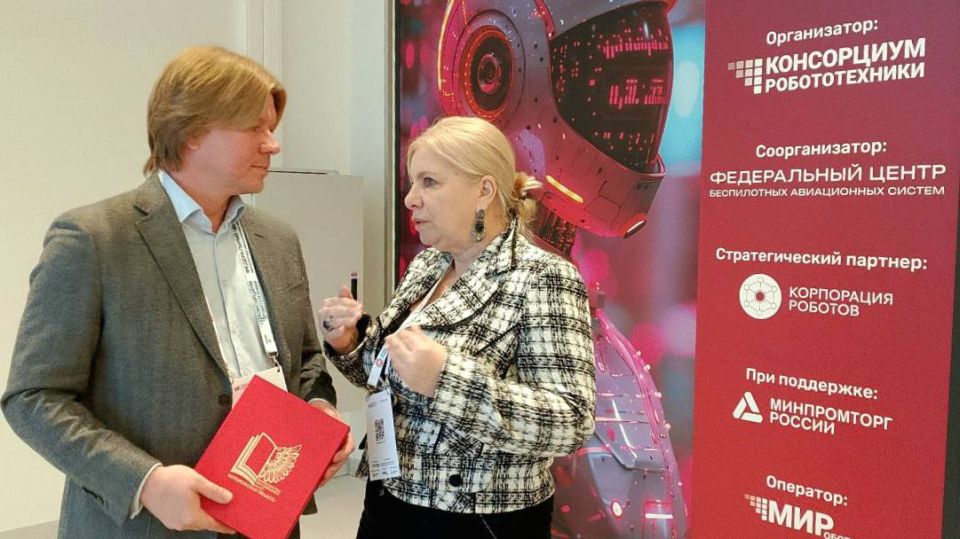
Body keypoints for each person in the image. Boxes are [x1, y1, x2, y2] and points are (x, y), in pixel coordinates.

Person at [2, 45, 353, 538]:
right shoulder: (95, 240)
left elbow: (307, 362)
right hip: (142, 526)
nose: (273, 145)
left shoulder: (277, 241)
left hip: (266, 517)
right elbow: (34, 397)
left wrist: (318, 412)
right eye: (255, 128)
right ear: (191, 131)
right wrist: (143, 482)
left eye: (272, 128)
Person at [319, 116, 596, 538]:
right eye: (412, 182)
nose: (410, 199)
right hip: (387, 499)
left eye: (429, 182)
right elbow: (391, 374)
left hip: (478, 521)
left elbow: (571, 422)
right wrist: (352, 341)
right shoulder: (428, 265)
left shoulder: (543, 276)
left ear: (484, 190)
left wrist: (447, 379)